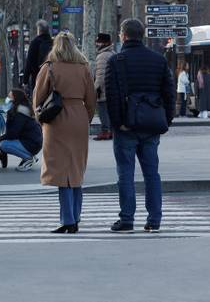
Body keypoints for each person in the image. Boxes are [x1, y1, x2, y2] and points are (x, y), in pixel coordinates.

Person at [104, 18, 175, 233]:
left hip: (127, 125)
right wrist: (166, 120)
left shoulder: (116, 61)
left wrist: (118, 124)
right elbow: (169, 93)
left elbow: (112, 97)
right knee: (152, 174)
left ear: (124, 35)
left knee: (125, 173)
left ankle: (127, 219)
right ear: (142, 35)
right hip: (151, 124)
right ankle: (154, 219)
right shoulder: (158, 60)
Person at [32, 31, 97, 234]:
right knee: (76, 170)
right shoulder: (83, 68)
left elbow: (38, 99)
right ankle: (76, 216)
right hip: (79, 117)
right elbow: (91, 100)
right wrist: (85, 118)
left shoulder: (49, 67)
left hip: (57, 119)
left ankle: (67, 218)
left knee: (61, 171)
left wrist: (41, 119)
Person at [0, 88, 42, 171]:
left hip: (31, 144)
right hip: (32, 142)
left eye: (10, 96)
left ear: (15, 98)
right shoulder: (23, 109)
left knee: (4, 144)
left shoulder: (20, 113)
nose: (7, 99)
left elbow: (13, 134)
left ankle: (28, 158)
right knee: (3, 142)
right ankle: (30, 155)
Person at [91, 33, 115, 140]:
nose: (96, 44)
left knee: (103, 111)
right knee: (110, 111)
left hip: (103, 89)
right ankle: (111, 131)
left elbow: (100, 75)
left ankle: (105, 131)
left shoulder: (102, 56)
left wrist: (96, 89)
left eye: (98, 41)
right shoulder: (112, 53)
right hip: (111, 88)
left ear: (104, 43)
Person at [23, 20, 53, 93]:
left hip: (37, 77)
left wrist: (25, 81)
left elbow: (29, 63)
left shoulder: (35, 42)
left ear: (39, 30)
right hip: (51, 77)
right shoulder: (53, 42)